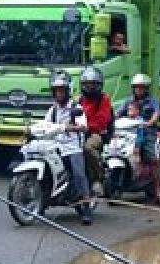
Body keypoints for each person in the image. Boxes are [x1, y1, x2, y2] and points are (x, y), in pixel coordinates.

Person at [43, 73, 94, 224]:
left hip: (73, 147)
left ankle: (86, 206)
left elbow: (84, 127)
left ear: (67, 92)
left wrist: (73, 127)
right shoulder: (52, 110)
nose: (59, 94)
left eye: (62, 91)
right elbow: (45, 125)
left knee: (79, 174)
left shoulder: (76, 108)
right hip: (56, 146)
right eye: (56, 91)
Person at [117, 73, 160, 205]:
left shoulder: (153, 100)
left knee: (154, 160)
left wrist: (150, 122)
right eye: (137, 87)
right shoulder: (128, 101)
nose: (139, 90)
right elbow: (118, 113)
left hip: (148, 132)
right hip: (129, 133)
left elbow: (156, 113)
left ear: (146, 88)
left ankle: (157, 192)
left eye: (142, 87)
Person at [78, 67, 112, 190]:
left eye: (93, 84)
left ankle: (99, 176)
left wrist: (86, 128)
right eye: (87, 84)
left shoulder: (104, 99)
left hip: (96, 133)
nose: (90, 87)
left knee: (88, 148)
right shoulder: (80, 99)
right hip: (78, 132)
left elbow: (102, 119)